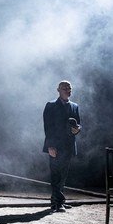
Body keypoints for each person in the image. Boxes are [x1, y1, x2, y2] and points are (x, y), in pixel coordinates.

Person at [42, 80, 82, 213]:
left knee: (63, 175)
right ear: (58, 90)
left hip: (68, 146)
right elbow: (48, 127)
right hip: (55, 146)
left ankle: (58, 201)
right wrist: (50, 146)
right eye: (64, 88)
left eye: (69, 88)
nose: (68, 90)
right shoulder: (51, 105)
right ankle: (58, 203)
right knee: (56, 174)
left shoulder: (75, 106)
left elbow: (78, 124)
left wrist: (77, 129)